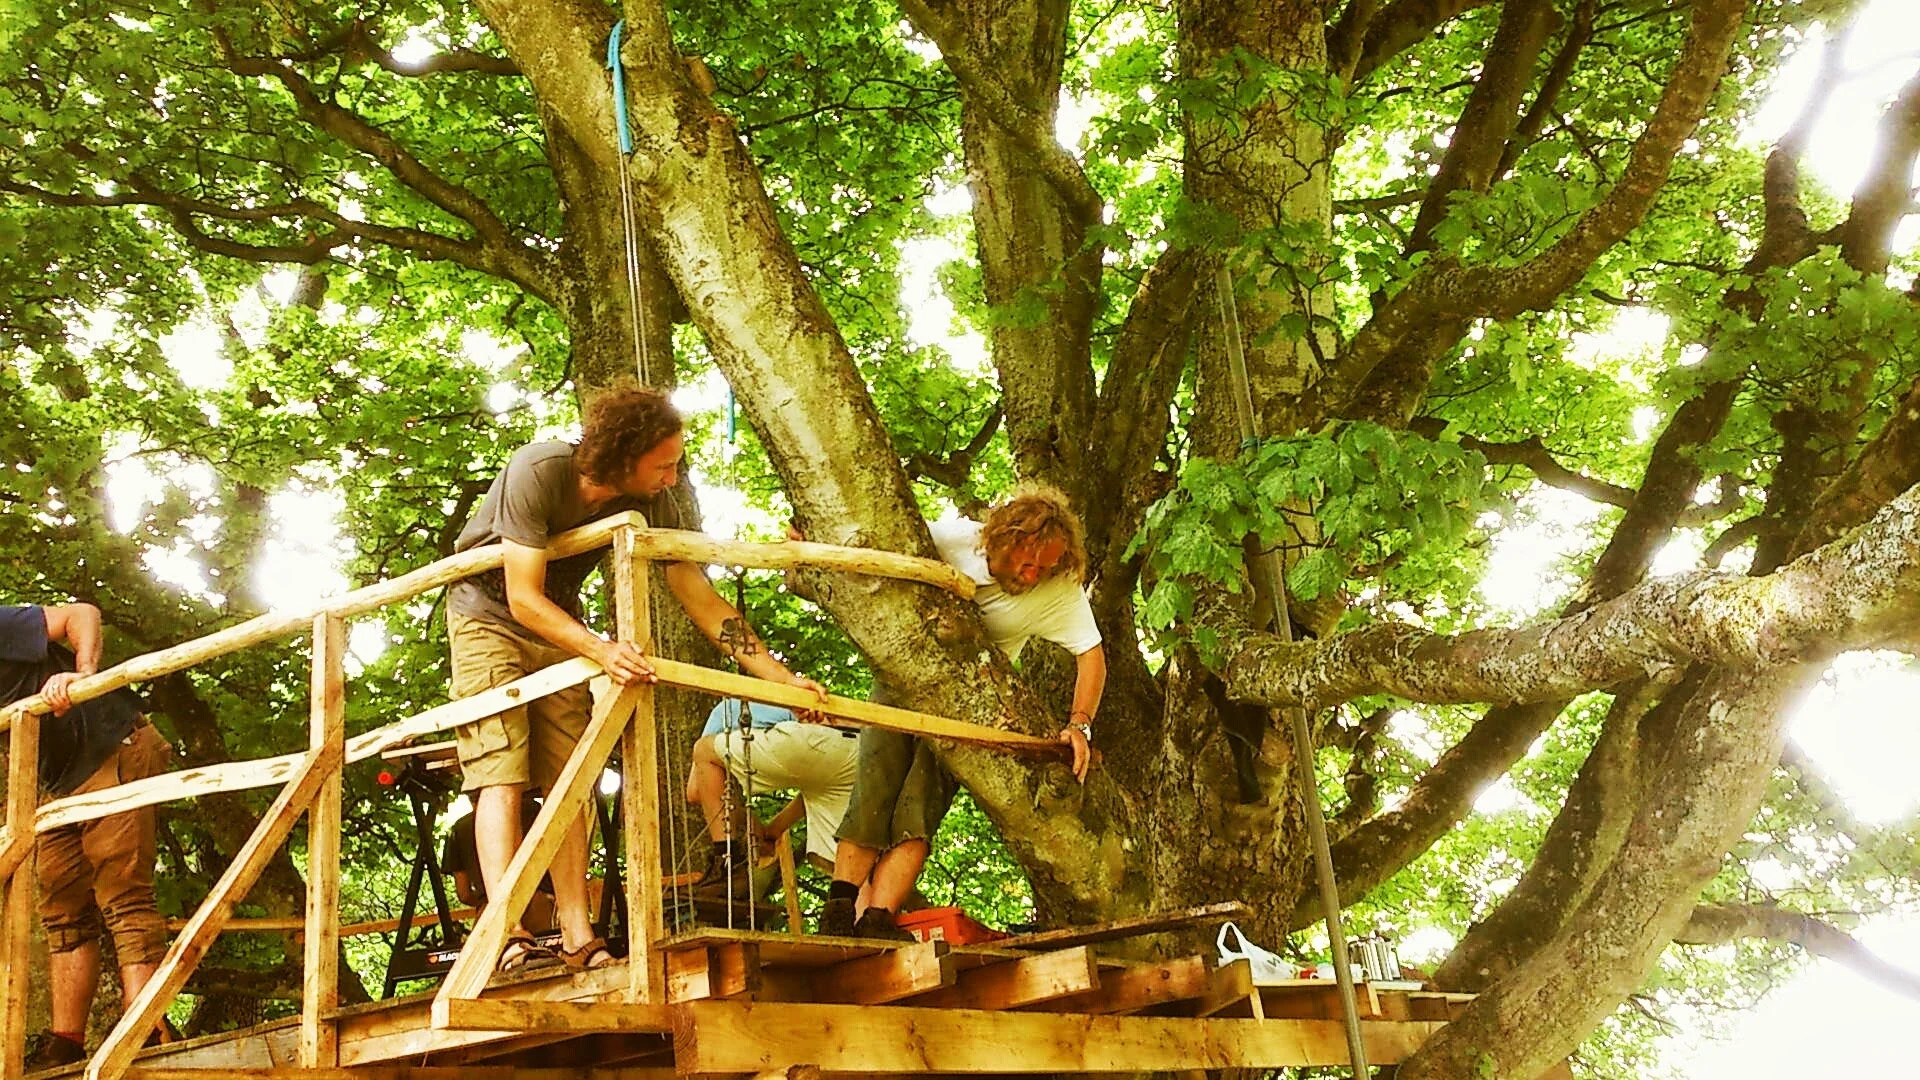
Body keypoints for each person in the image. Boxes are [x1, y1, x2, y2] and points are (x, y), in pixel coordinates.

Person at [445, 386, 825, 972]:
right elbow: (522, 597)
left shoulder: (654, 502)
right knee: (500, 770)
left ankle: (577, 932)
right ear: (624, 457)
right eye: (665, 465)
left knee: (571, 779)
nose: (674, 478)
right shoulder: (540, 469)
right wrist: (602, 649)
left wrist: (782, 680)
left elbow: (702, 599)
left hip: (559, 626)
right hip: (488, 619)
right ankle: (507, 931)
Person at [820, 484, 1105, 939]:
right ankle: (838, 909)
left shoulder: (1059, 590)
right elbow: (872, 549)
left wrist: (1079, 725)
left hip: (968, 710)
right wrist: (811, 542)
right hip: (901, 681)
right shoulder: (953, 539)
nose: (1033, 575)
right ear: (1002, 539)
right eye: (1027, 562)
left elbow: (1091, 655)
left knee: (920, 806)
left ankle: (878, 919)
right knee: (876, 784)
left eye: (1044, 567)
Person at [1, 602, 172, 1069]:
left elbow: (81, 614)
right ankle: (65, 1045)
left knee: (122, 889)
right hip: (57, 781)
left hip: (110, 745)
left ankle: (148, 1031)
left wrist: (82, 675)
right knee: (60, 906)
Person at [684, 697, 858, 889]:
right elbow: (817, 777)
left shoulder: (728, 707)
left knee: (704, 750)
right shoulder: (809, 699)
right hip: (855, 751)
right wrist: (771, 831)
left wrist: (749, 820)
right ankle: (863, 910)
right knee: (851, 866)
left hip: (806, 739)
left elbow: (696, 791)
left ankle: (726, 862)